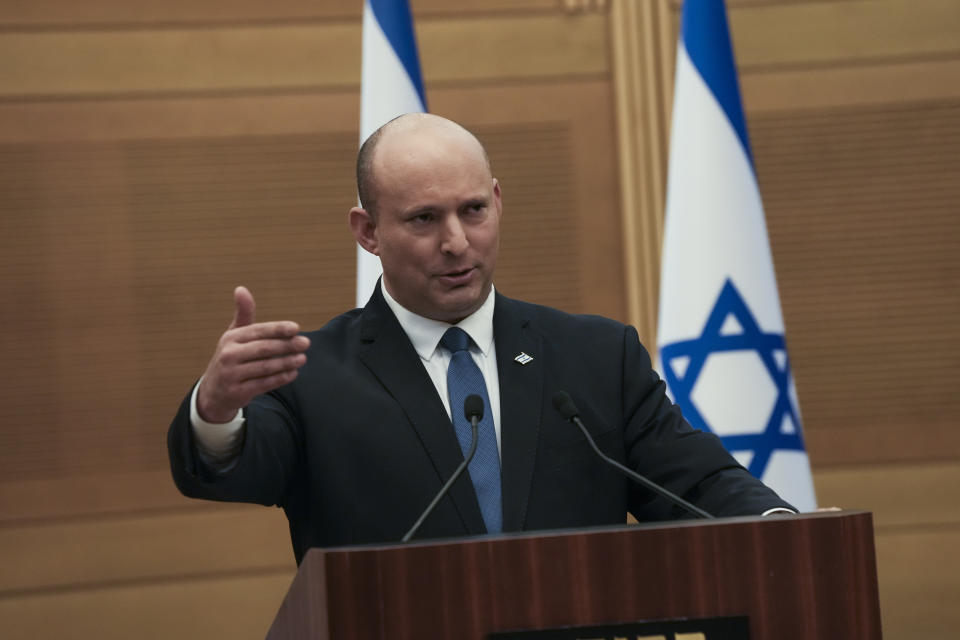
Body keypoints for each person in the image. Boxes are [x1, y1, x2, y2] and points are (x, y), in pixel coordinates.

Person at [168, 113, 793, 564]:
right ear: (367, 231)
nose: (457, 243)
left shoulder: (595, 357)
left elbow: (698, 485)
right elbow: (238, 469)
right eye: (423, 218)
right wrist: (217, 412)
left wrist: (780, 526)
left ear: (497, 200)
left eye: (473, 210)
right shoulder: (311, 377)